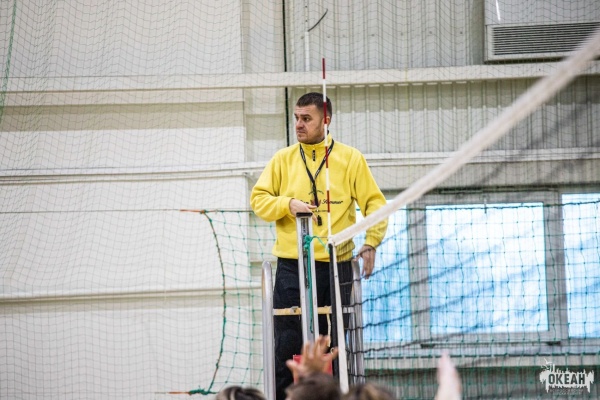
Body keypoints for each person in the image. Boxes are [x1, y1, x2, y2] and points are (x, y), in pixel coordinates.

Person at [251, 92, 388, 400]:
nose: (298, 125)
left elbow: (375, 205)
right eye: (296, 118)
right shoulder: (283, 159)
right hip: (291, 268)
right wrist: (287, 204)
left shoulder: (351, 159)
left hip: (337, 266)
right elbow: (258, 200)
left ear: (325, 120)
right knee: (287, 348)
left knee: (335, 349)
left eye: (306, 118)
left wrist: (371, 242)